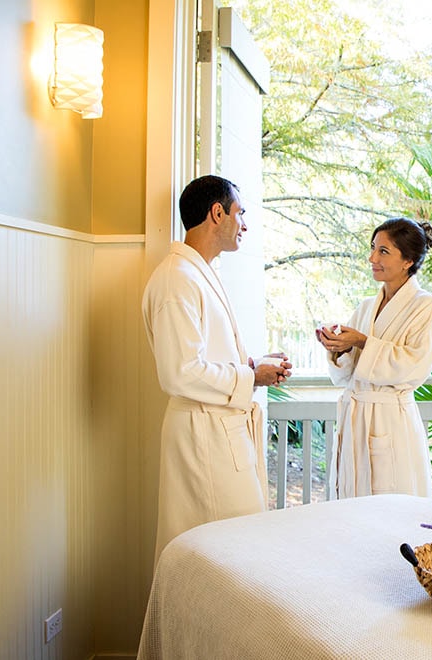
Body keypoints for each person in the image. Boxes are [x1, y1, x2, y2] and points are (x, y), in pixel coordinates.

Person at [142, 174, 293, 562]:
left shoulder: (199, 272)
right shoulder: (178, 279)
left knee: (238, 548)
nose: (245, 224)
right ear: (217, 212)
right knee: (227, 553)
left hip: (219, 430)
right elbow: (180, 372)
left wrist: (254, 364)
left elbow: (205, 356)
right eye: (240, 213)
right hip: (203, 437)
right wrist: (251, 377)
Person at [316, 217, 432, 498]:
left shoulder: (425, 305)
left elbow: (414, 364)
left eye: (383, 251)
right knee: (353, 502)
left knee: (391, 500)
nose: (372, 257)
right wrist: (339, 349)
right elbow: (347, 374)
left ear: (408, 260)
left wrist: (361, 341)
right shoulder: (366, 307)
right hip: (356, 417)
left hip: (390, 420)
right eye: (373, 248)